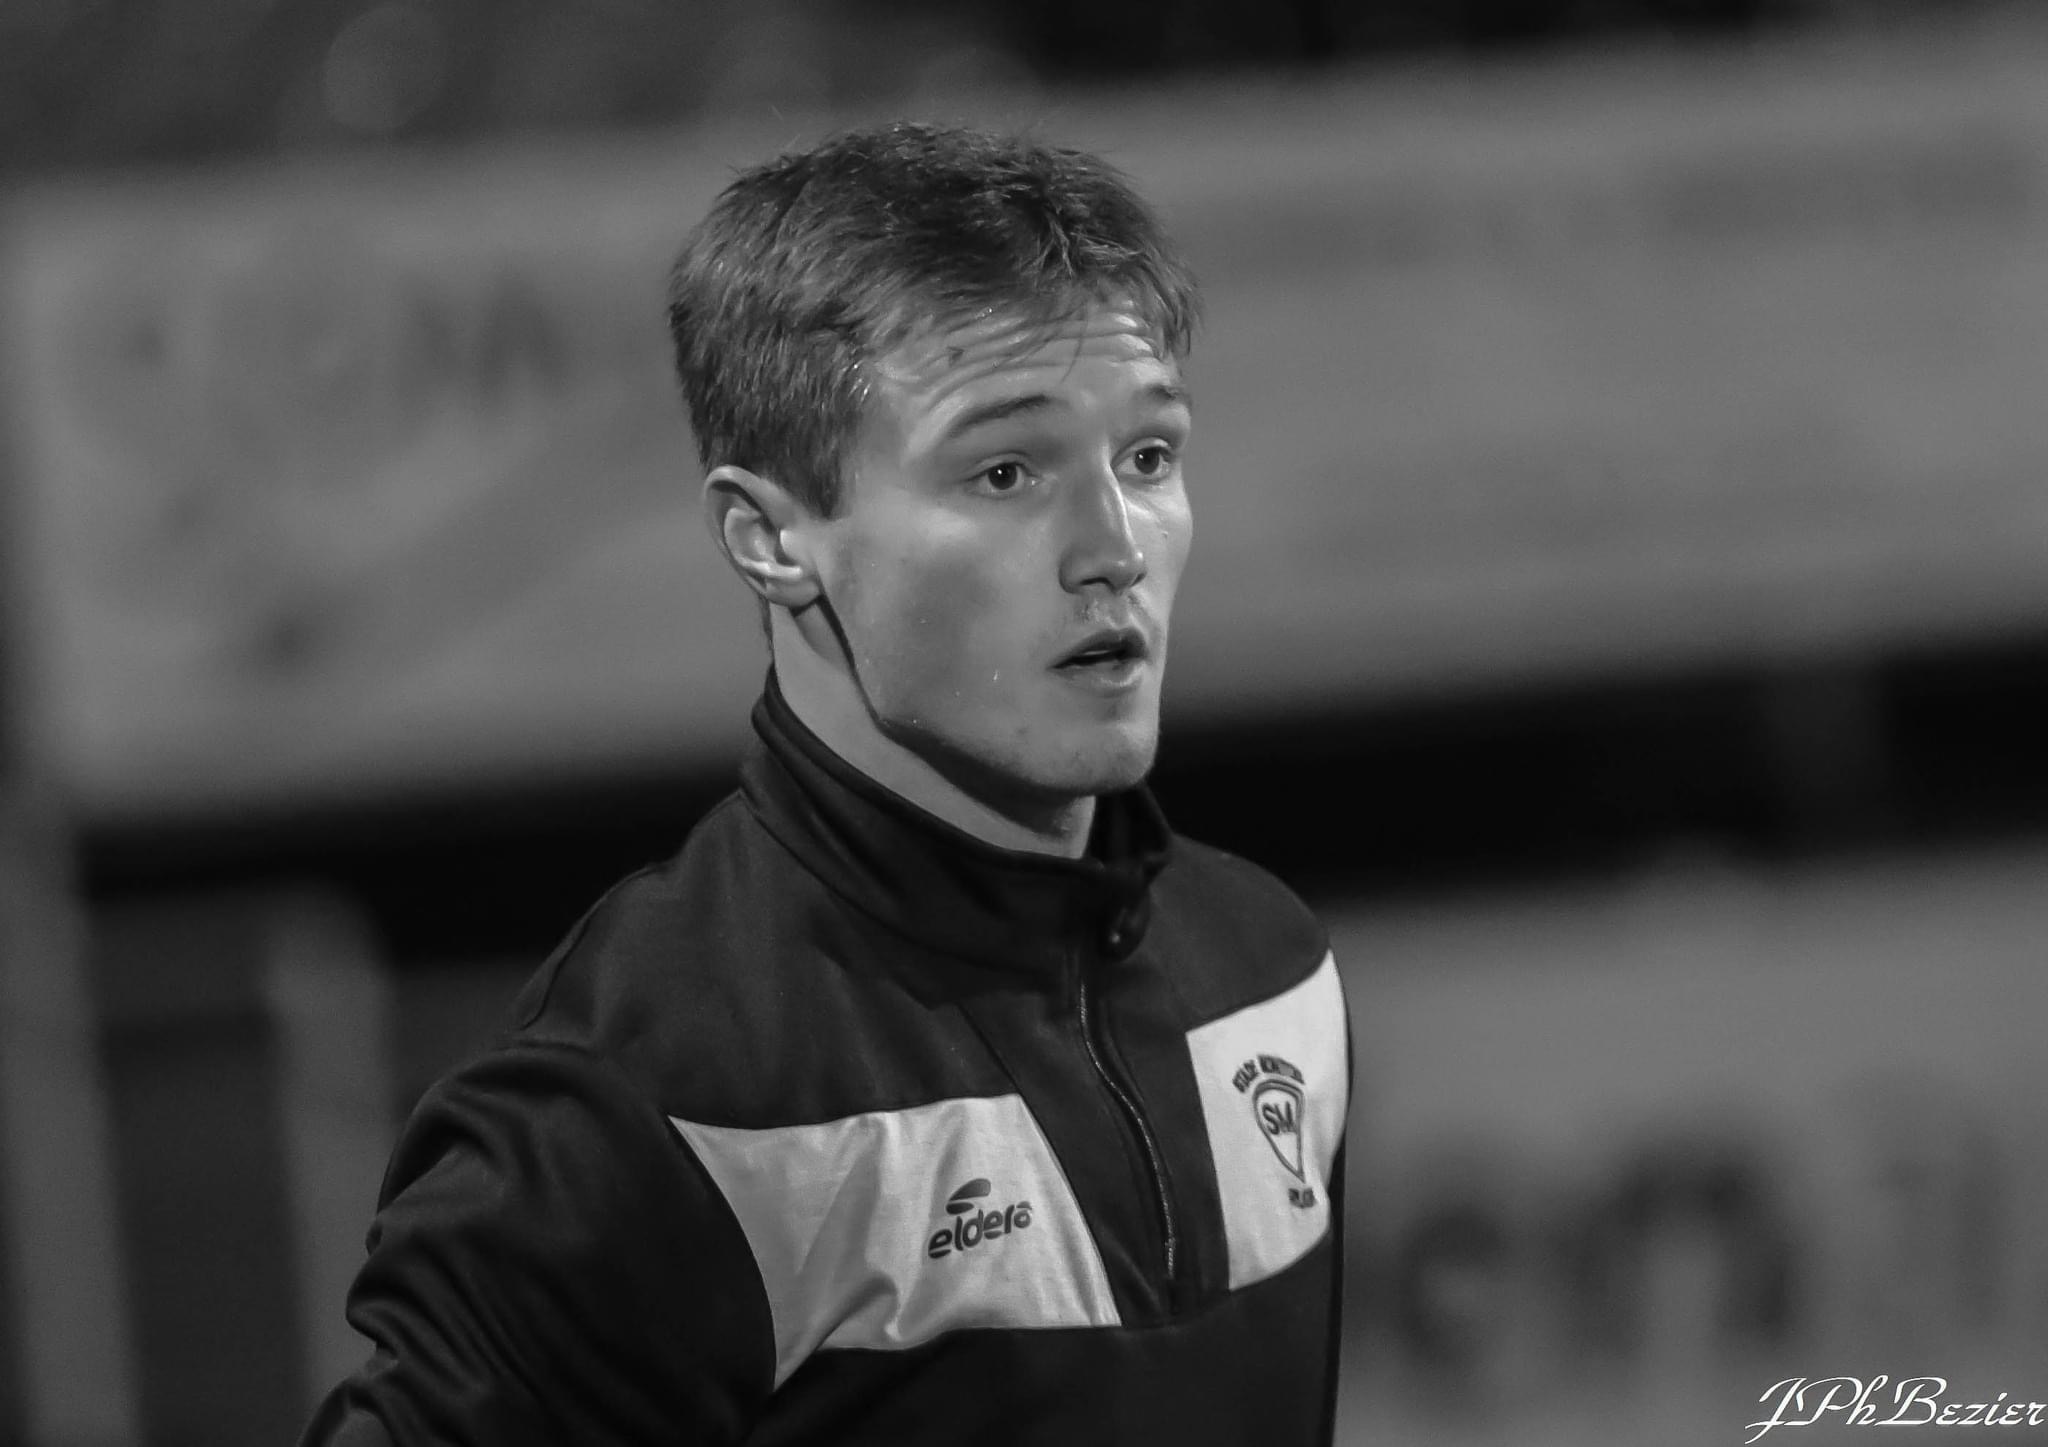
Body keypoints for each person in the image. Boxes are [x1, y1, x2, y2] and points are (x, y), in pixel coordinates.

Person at [301, 120, 1351, 1446]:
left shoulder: (1270, 973)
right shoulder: (639, 1107)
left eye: (1148, 457)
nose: (1115, 549)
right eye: (1007, 472)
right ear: (770, 539)